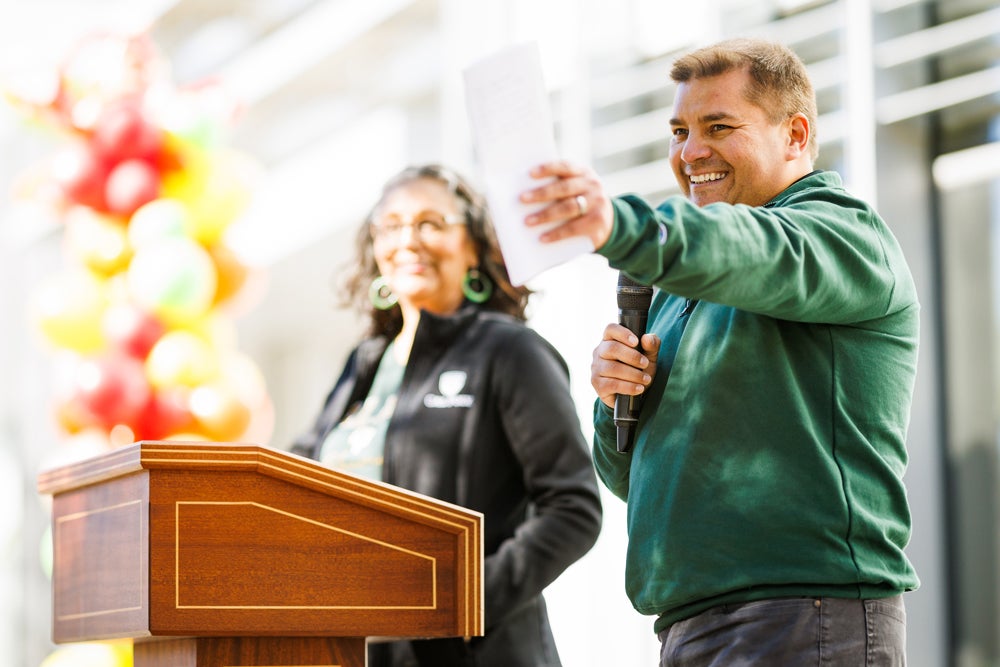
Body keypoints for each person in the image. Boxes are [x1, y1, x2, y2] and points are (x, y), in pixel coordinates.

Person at [519, 38, 919, 665]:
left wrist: (615, 225)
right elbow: (636, 478)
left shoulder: (843, 235)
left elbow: (752, 249)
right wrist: (613, 400)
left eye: (718, 126)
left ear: (795, 135)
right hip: (689, 621)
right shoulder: (681, 290)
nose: (690, 152)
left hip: (807, 614)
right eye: (679, 130)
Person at [292, 163, 603, 667]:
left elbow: (573, 508)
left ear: (474, 247)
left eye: (431, 224)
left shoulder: (510, 352)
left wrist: (462, 602)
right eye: (390, 227)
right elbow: (294, 485)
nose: (407, 241)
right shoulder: (363, 363)